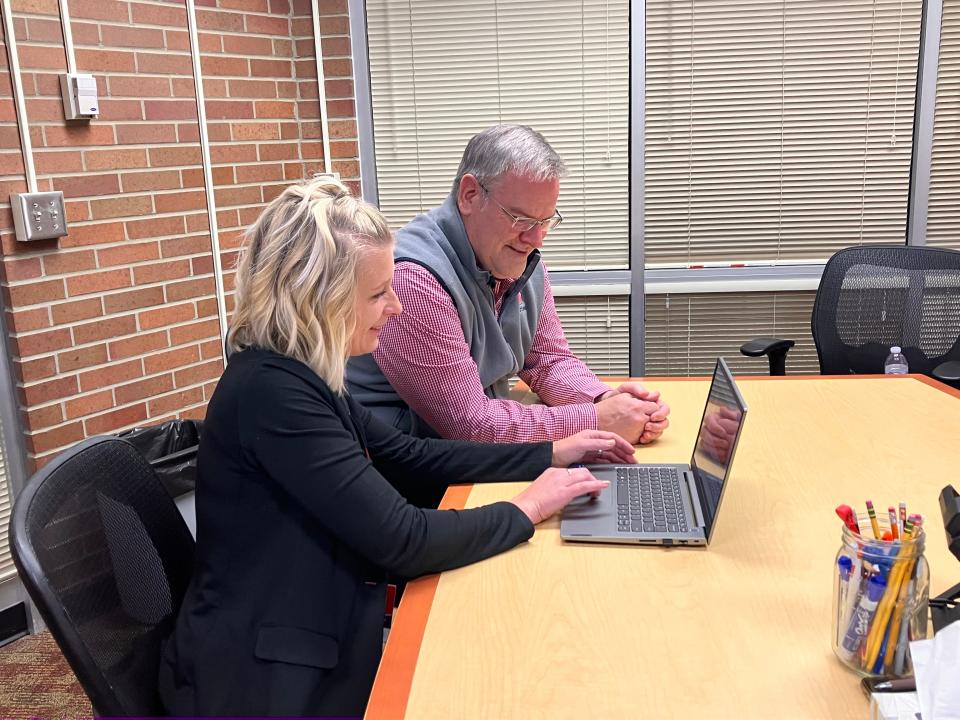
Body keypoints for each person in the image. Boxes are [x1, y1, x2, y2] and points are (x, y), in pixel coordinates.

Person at [157, 178, 637, 717]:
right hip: (262, 683)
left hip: (305, 629)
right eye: (378, 293)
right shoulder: (273, 395)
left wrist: (550, 453)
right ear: (322, 300)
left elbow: (412, 456)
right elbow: (403, 540)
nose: (396, 308)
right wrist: (528, 506)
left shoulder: (303, 374)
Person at [347, 124, 670, 446]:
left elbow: (545, 360)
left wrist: (604, 400)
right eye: (521, 219)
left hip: (468, 453)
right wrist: (600, 420)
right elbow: (468, 423)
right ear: (470, 195)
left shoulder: (518, 260)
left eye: (545, 222)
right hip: (402, 466)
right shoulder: (415, 280)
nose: (535, 238)